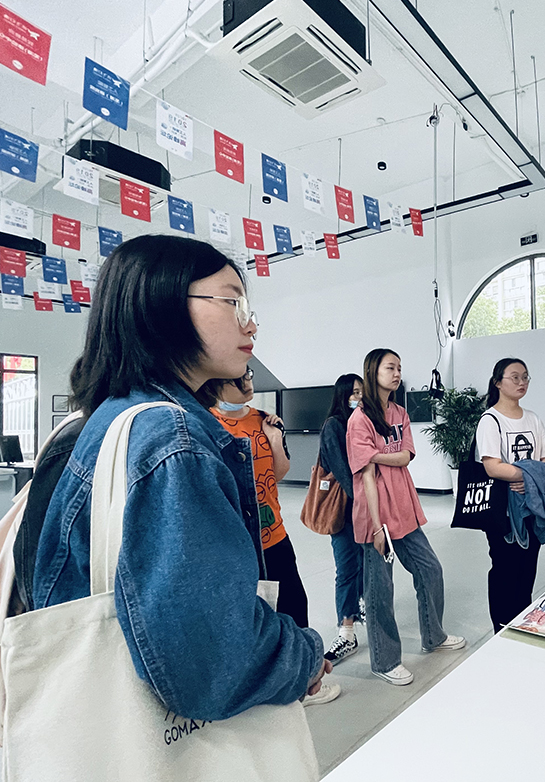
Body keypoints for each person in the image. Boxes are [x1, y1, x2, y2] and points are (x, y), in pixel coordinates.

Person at [35, 233, 330, 722]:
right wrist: (305, 656)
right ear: (163, 305)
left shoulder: (114, 413)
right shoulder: (174, 439)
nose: (251, 323)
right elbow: (214, 662)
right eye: (233, 302)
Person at [211, 371, 340, 705]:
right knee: (253, 614)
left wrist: (272, 437)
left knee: (294, 605)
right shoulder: (206, 423)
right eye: (237, 379)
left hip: (275, 534)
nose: (247, 382)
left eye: (248, 375)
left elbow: (279, 472)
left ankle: (307, 679)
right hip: (238, 542)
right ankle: (269, 684)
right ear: (217, 383)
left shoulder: (264, 420)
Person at [347, 348, 464, 686]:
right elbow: (367, 476)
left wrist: (377, 455)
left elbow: (406, 456)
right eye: (390, 368)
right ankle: (384, 661)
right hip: (376, 514)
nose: (397, 373)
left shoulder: (399, 412)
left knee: (430, 569)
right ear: (373, 372)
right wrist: (376, 527)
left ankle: (434, 636)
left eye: (399, 368)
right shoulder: (359, 419)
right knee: (380, 590)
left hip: (404, 507)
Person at [476, 357, 545, 633]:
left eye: (525, 377)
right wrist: (530, 476)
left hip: (531, 507)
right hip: (503, 512)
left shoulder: (532, 418)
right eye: (515, 377)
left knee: (527, 567)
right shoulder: (490, 420)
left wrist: (527, 479)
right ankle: (502, 628)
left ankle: (522, 622)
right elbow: (492, 466)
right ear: (498, 382)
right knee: (504, 568)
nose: (522, 382)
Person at [318, 373, 364, 664]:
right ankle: (346, 632)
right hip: (346, 511)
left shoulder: (362, 422)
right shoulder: (334, 425)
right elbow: (341, 470)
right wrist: (363, 502)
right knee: (347, 568)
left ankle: (361, 605)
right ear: (343, 395)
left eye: (362, 392)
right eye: (354, 392)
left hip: (367, 508)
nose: (359, 397)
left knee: (366, 563)